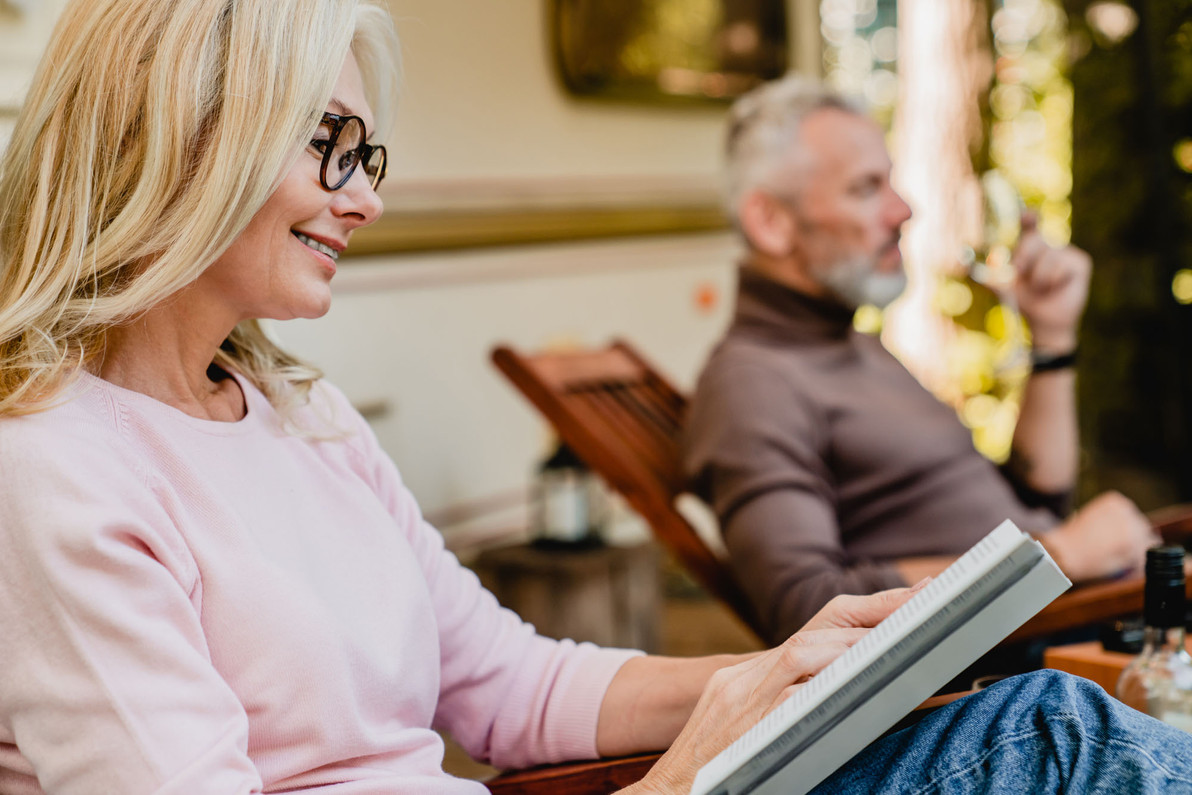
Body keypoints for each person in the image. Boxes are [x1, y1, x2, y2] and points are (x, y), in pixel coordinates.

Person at [0, 3, 1189, 793]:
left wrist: (763, 676)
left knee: (1043, 723)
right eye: (331, 145)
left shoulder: (304, 416)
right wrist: (680, 781)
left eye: (370, 157)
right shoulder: (57, 470)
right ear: (182, 136)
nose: (362, 199)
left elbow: (509, 683)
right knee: (1050, 737)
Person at [683, 75, 1160, 643]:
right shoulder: (752, 384)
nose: (903, 209)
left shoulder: (848, 345)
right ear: (770, 221)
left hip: (1092, 624)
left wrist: (1051, 339)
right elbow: (807, 609)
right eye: (865, 188)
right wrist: (1051, 555)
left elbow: (1036, 503)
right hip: (1032, 682)